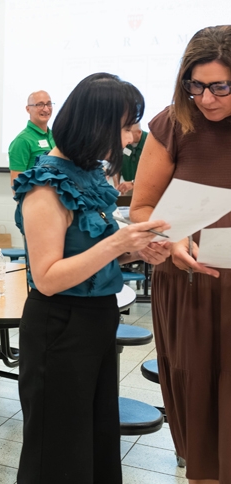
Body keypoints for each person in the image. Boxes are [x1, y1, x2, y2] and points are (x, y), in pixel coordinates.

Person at [13, 73, 171, 483]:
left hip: (95, 321)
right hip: (60, 326)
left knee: (94, 436)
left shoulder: (89, 175)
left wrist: (137, 249)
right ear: (95, 124)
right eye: (126, 125)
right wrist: (118, 245)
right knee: (58, 447)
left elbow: (90, 250)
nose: (133, 136)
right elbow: (47, 277)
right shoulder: (45, 186)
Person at [130, 25, 231, 484]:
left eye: (219, 87)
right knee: (200, 414)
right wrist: (173, 242)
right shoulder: (174, 122)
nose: (205, 99)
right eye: (194, 85)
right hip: (190, 284)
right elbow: (143, 207)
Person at [9, 90, 55, 190]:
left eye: (49, 104)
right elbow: (16, 184)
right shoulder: (22, 140)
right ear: (28, 109)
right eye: (40, 104)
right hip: (36, 202)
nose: (46, 109)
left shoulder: (56, 136)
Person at [112, 122, 147, 194]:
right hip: (127, 187)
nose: (128, 136)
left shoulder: (150, 142)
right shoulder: (123, 142)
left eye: (130, 133)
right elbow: (116, 164)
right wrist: (117, 185)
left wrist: (133, 183)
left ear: (139, 132)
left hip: (145, 187)